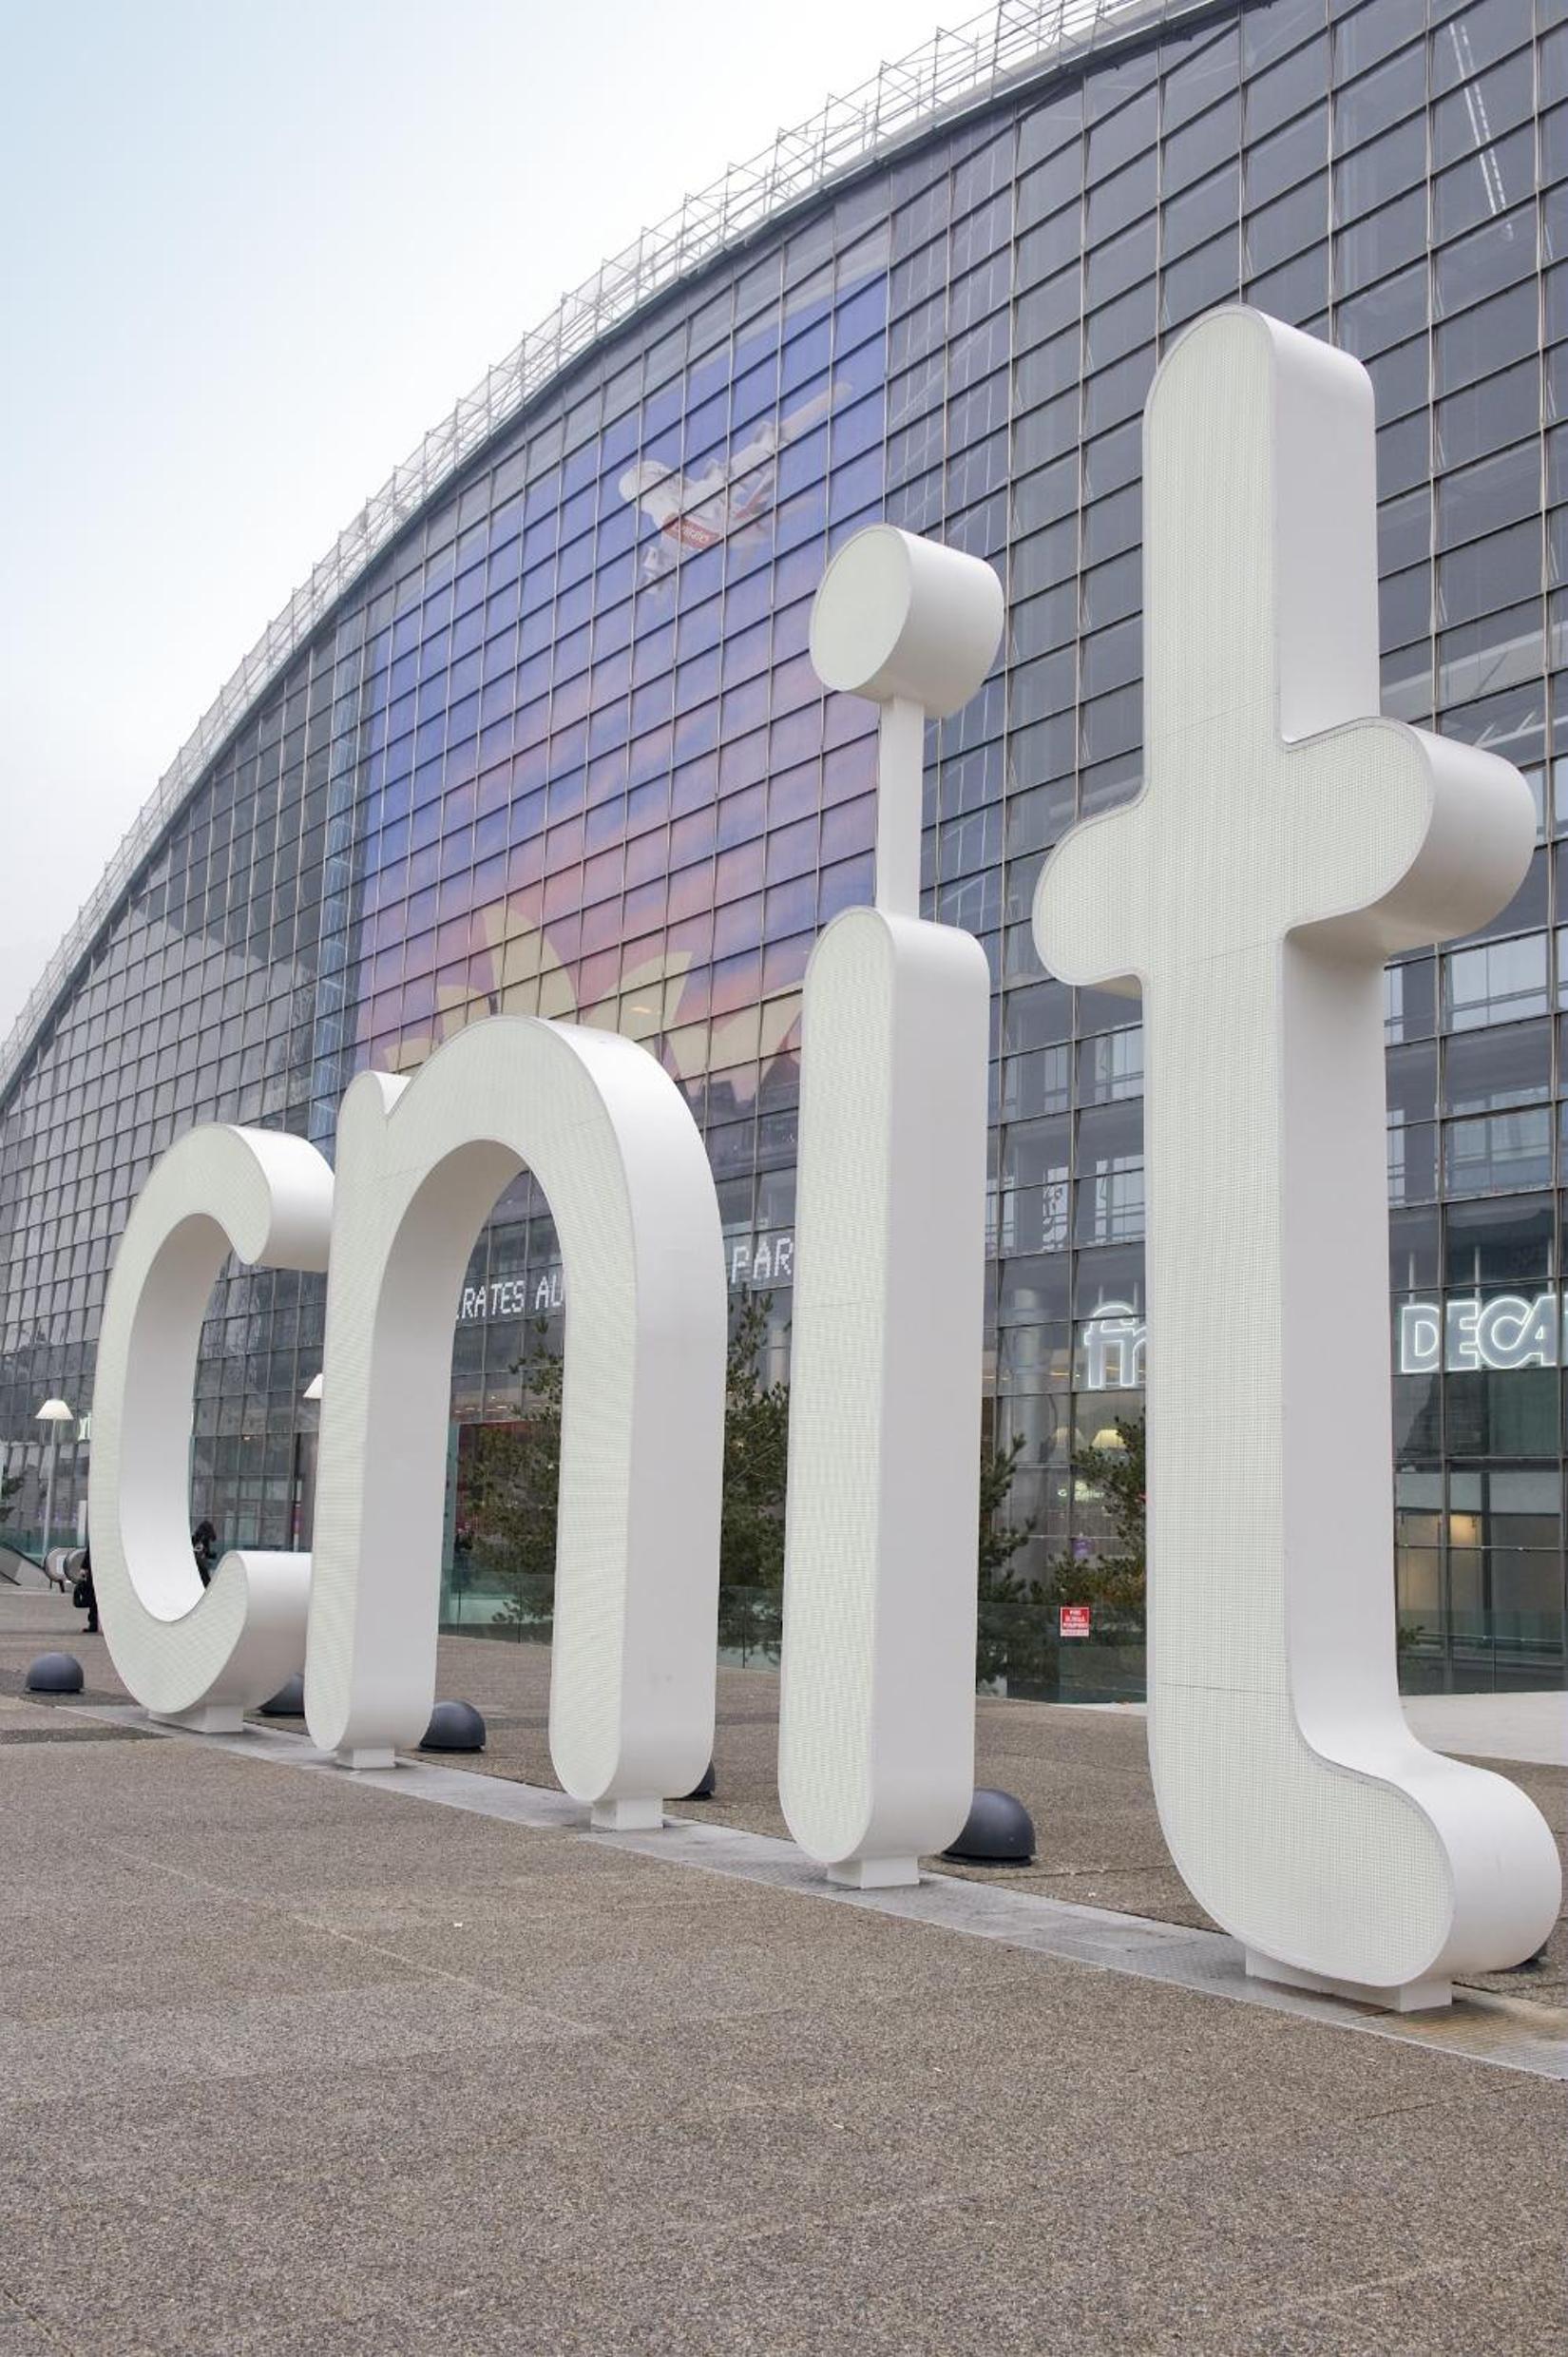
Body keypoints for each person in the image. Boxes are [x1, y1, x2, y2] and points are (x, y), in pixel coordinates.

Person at [71, 1542, 98, 1636]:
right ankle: (93, 1624)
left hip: (96, 1571)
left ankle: (93, 1624)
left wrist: (84, 1567)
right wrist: (84, 1566)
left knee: (93, 1599)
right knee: (93, 1599)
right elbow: (89, 1552)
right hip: (98, 1571)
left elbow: (89, 1552)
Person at [191, 1519, 219, 1587]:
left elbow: (206, 1552)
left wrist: (211, 1555)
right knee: (205, 1581)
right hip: (197, 1565)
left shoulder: (205, 1540)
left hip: (202, 1564)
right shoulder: (196, 1539)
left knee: (206, 1581)